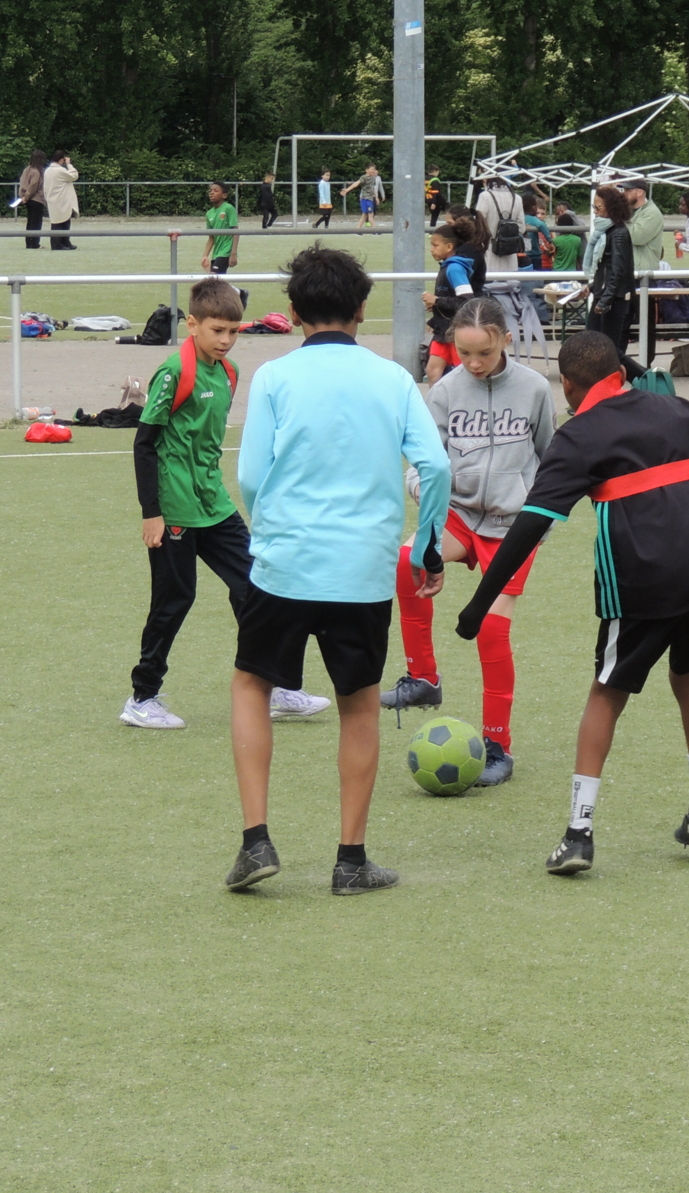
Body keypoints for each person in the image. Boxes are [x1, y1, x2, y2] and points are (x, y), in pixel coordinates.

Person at [446, 330, 689, 876]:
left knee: (607, 691)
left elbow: (530, 524)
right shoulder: (675, 409)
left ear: (570, 388)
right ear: (619, 373)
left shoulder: (578, 436)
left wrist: (479, 604)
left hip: (645, 573)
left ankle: (578, 834)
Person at [225, 246, 451, 894]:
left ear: (293, 312)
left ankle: (256, 841)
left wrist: (272, 530)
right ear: (362, 309)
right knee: (359, 704)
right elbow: (436, 467)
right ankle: (351, 861)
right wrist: (428, 546)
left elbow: (250, 475)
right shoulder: (393, 379)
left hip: (285, 565)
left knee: (251, 685)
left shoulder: (273, 377)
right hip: (363, 570)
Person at [123, 275, 331, 732]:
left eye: (234, 331)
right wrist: (151, 513)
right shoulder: (173, 372)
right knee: (174, 601)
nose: (226, 340)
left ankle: (276, 687)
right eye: (217, 330)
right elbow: (144, 444)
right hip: (175, 510)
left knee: (256, 587)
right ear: (193, 325)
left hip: (214, 504)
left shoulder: (230, 373)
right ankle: (142, 697)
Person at [383, 298, 556, 787]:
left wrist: (540, 520)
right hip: (458, 516)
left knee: (491, 630)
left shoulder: (535, 388)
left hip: (513, 528)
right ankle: (424, 679)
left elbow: (551, 458)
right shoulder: (444, 391)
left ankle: (498, 746)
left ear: (506, 340)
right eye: (464, 353)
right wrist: (427, 490)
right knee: (406, 561)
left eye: (484, 352)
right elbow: (421, 464)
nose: (474, 364)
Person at [587, 183, 646, 380]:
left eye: (598, 207)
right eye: (594, 207)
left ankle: (646, 379)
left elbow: (618, 270)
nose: (595, 212)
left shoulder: (618, 233)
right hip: (606, 294)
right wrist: (592, 287)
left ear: (611, 208)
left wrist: (605, 300)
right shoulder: (607, 231)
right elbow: (605, 269)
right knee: (596, 345)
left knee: (608, 349)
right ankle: (604, 387)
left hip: (614, 298)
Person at [421, 219, 485, 384]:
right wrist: (436, 309)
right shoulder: (447, 266)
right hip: (443, 331)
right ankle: (437, 401)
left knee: (462, 373)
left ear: (449, 247)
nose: (431, 249)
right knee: (432, 371)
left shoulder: (455, 269)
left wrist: (437, 301)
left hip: (456, 332)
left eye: (435, 245)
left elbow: (466, 301)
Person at [626, 181, 665, 276]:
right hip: (628, 271)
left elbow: (636, 237)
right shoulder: (627, 211)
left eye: (628, 190)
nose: (624, 193)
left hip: (643, 274)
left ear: (639, 192)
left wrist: (617, 218)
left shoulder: (652, 213)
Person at [44, 152, 79, 250]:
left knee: (60, 222)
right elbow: (74, 176)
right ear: (61, 160)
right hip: (62, 200)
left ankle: (65, 242)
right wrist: (69, 164)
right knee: (60, 223)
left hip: (52, 199)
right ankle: (57, 244)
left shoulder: (47, 171)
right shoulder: (60, 170)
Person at [17, 150, 47, 250]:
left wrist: (22, 196)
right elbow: (33, 187)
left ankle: (29, 243)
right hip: (36, 199)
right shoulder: (36, 172)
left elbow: (22, 183)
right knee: (36, 222)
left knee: (30, 222)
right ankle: (34, 244)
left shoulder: (27, 169)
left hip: (27, 199)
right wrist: (27, 196)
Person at [345, 163, 383, 227]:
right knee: (370, 215)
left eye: (374, 169)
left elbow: (373, 188)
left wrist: (376, 197)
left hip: (371, 199)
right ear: (367, 170)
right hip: (365, 199)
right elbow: (356, 184)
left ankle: (358, 229)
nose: (373, 171)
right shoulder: (364, 177)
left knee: (365, 215)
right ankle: (375, 230)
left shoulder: (373, 178)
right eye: (372, 169)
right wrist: (347, 190)